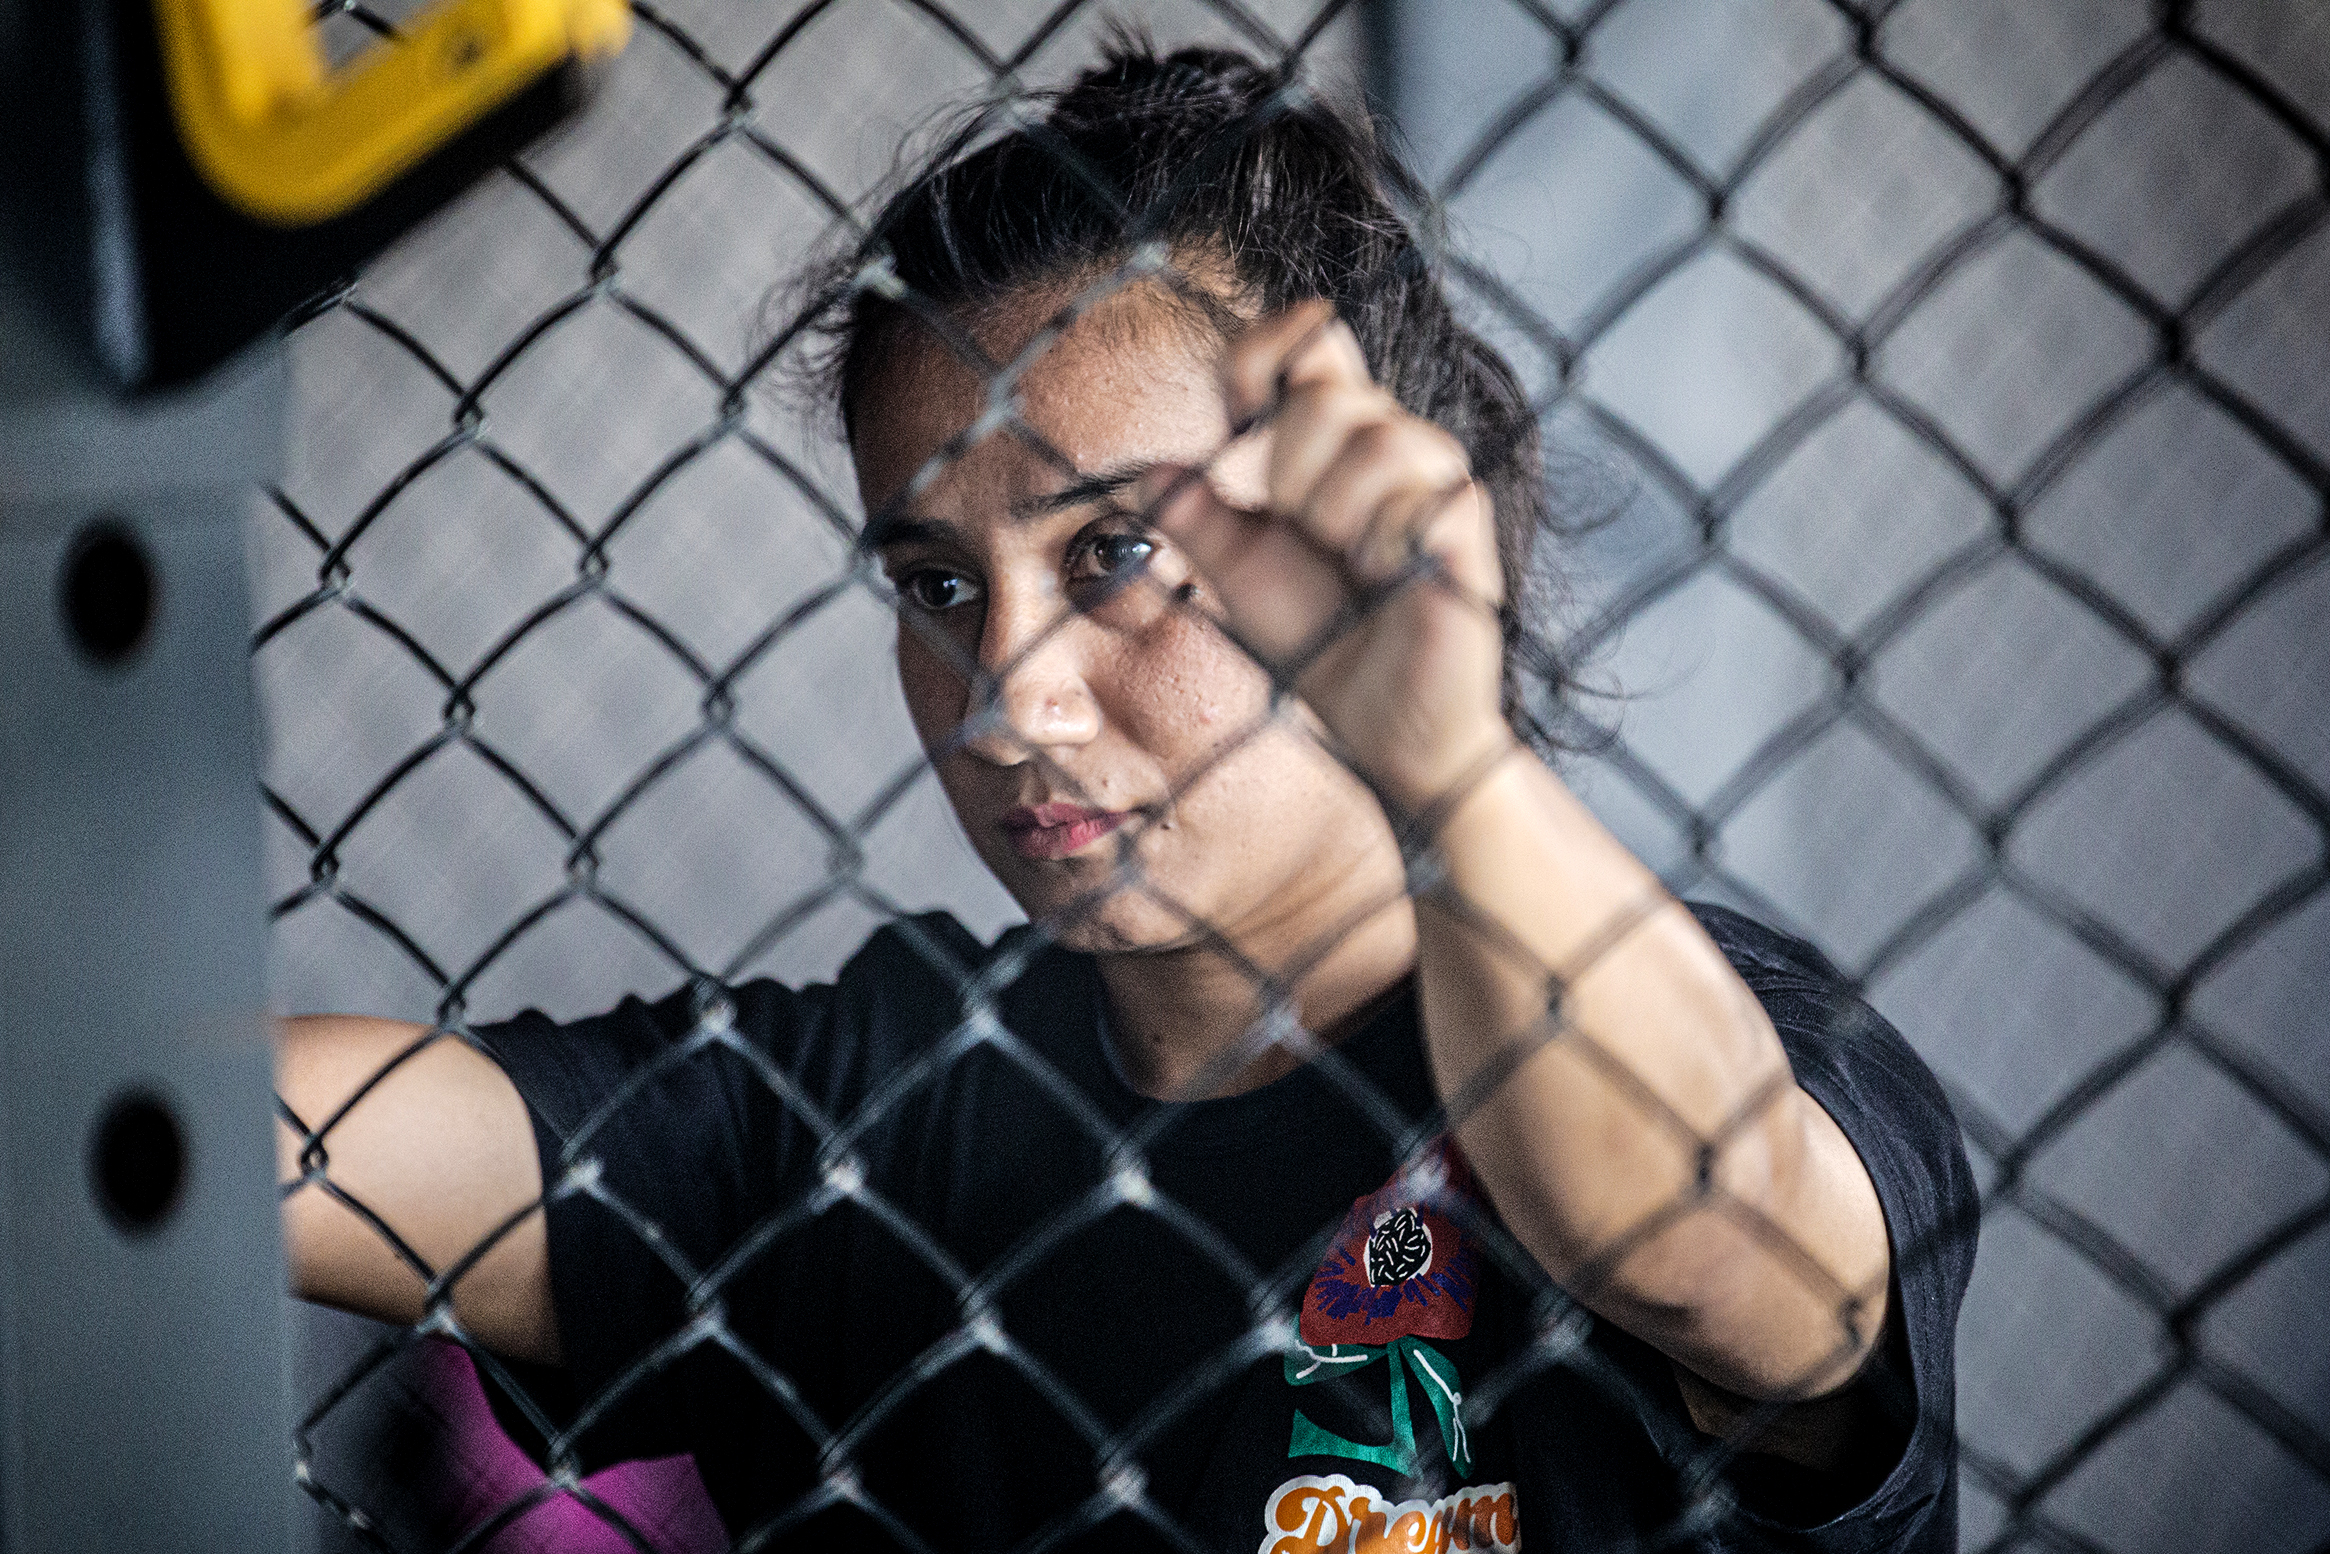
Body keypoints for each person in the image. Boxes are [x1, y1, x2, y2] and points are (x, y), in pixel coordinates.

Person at [277, 41, 1977, 1554]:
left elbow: (1698, 1252)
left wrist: (1451, 763)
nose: (1011, 698)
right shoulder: (870, 1114)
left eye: (1119, 551)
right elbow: (227, 1137)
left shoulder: (1733, 1036)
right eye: (938, 584)